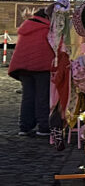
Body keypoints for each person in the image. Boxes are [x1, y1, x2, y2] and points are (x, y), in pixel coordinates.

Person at [8, 7, 55, 137]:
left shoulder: (27, 26)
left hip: (23, 67)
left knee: (28, 97)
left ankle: (25, 126)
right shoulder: (47, 30)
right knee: (42, 96)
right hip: (42, 67)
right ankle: (43, 127)